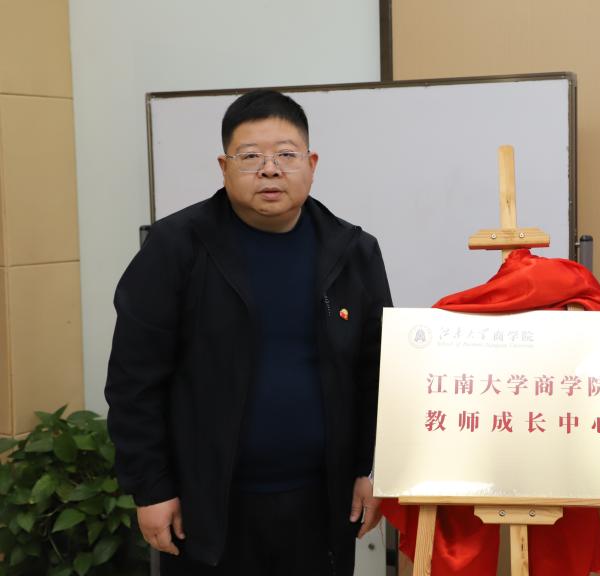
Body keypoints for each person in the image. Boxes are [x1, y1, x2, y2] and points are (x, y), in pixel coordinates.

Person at [105, 89, 392, 575]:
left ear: (312, 164)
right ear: (224, 167)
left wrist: (371, 468)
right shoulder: (176, 248)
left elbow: (378, 373)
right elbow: (134, 379)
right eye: (251, 156)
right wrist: (151, 488)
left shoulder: (353, 251)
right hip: (207, 506)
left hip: (321, 503)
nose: (270, 170)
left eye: (286, 155)